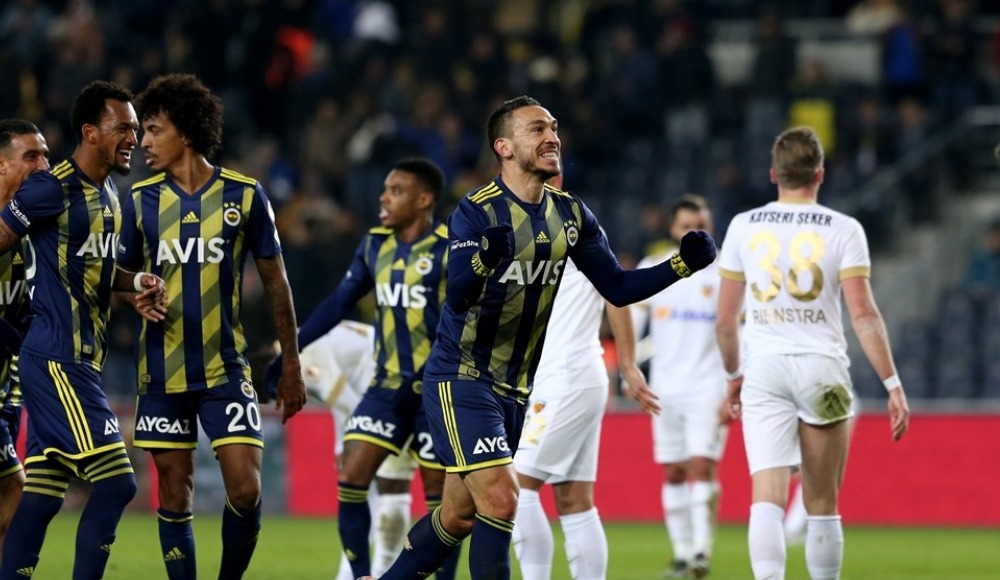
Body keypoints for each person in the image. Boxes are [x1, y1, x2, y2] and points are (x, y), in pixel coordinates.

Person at [372, 95, 716, 580]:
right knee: (504, 498)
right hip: (462, 376)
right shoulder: (477, 210)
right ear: (505, 147)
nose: (552, 136)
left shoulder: (571, 214)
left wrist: (681, 264)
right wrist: (482, 260)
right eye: (537, 129)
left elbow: (617, 288)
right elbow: (458, 297)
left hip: (517, 387)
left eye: (553, 127)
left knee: (457, 516)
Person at [117, 73, 307, 580]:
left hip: (225, 368)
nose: (143, 141)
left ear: (185, 132)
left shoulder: (245, 196)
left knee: (245, 489)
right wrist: (133, 294)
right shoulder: (138, 201)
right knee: (174, 493)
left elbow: (278, 285)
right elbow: (114, 280)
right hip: (161, 373)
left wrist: (291, 363)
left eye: (153, 130)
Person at [716, 126, 910, 580]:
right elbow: (863, 314)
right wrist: (892, 384)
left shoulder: (743, 226)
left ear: (773, 174)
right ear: (820, 174)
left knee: (766, 497)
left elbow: (725, 320)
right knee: (822, 503)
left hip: (764, 368)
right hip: (824, 371)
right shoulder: (845, 229)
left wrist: (733, 376)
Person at [0, 80, 166, 579]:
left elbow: (96, 272)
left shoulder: (110, 194)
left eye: (136, 129)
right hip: (57, 359)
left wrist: (135, 281)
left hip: (81, 359)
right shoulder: (52, 188)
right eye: (124, 128)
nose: (134, 138)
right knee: (117, 482)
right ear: (91, 132)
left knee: (40, 497)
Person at [268, 156, 458, 580]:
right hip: (386, 388)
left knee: (443, 501)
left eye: (396, 191)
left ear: (424, 200)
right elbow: (339, 303)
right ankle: (360, 576)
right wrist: (290, 354)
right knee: (352, 474)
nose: (383, 198)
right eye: (385, 189)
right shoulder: (375, 245)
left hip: (435, 394)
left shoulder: (449, 249)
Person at [511, 252, 657, 580]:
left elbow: (616, 291)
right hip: (566, 377)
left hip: (567, 377)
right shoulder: (534, 234)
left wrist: (628, 364)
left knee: (515, 486)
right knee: (574, 499)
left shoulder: (574, 233)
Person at [265, 320, 426, 580]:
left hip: (389, 393)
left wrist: (348, 445)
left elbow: (344, 402)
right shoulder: (306, 338)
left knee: (371, 487)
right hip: (403, 374)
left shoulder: (303, 356)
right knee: (389, 485)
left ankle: (363, 573)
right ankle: (372, 572)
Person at [632, 194, 727, 579]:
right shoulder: (654, 267)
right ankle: (683, 554)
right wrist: (630, 370)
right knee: (673, 470)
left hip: (709, 385)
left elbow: (742, 330)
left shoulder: (726, 273)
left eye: (700, 226)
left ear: (710, 227)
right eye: (687, 226)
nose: (694, 232)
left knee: (702, 466)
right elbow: (631, 319)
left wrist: (737, 382)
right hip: (665, 387)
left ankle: (702, 552)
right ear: (674, 229)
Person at [0, 119, 50, 562]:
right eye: (31, 156)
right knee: (14, 496)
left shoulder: (34, 231)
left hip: (7, 389)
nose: (42, 166)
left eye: (46, 156)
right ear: (1, 165)